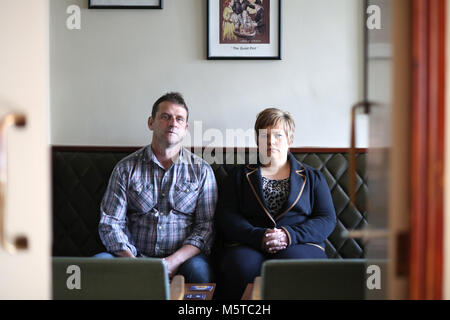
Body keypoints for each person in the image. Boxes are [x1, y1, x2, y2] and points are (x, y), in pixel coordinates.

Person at [215, 107, 337, 299]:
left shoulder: (313, 177)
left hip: (300, 243)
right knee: (239, 266)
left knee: (293, 265)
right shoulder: (239, 176)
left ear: (289, 139)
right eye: (264, 136)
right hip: (249, 243)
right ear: (257, 141)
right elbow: (227, 216)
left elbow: (326, 219)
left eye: (278, 135)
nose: (271, 141)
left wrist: (289, 235)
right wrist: (259, 236)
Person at [97, 92, 218, 283]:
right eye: (165, 117)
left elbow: (205, 228)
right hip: (131, 256)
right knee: (97, 264)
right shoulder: (125, 168)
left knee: (200, 273)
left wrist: (172, 262)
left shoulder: (201, 171)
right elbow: (110, 222)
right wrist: (133, 262)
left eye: (179, 119)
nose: (172, 123)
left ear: (186, 128)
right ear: (151, 122)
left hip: (182, 261)